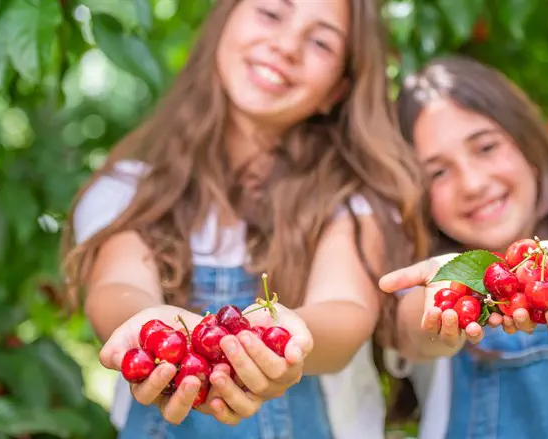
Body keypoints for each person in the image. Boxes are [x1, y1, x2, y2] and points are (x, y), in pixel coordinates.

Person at [60, 1, 463, 438]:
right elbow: (117, 289)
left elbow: (345, 311)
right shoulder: (129, 189)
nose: (287, 46)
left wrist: (286, 339)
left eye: (321, 42)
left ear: (338, 90)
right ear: (222, 22)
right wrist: (148, 324)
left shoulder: (350, 201)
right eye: (271, 13)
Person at [379, 56, 548, 439]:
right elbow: (409, 325)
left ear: (529, 148)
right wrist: (444, 298)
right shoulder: (425, 274)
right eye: (438, 173)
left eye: (486, 147)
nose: (473, 183)